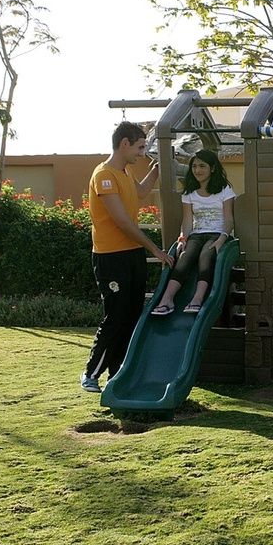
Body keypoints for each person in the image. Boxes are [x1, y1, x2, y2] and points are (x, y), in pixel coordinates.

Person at [80, 122, 174, 393]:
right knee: (116, 314)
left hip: (131, 254)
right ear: (124, 144)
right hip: (111, 257)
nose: (143, 153)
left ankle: (116, 376)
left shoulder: (124, 172)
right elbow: (122, 222)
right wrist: (154, 249)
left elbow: (141, 193)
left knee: (132, 314)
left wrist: (157, 169)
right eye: (140, 147)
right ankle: (91, 373)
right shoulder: (104, 176)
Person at [151, 149, 235, 316]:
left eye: (202, 166)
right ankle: (167, 299)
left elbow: (229, 220)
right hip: (197, 234)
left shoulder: (224, 190)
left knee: (206, 256)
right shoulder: (189, 193)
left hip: (217, 234)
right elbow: (188, 221)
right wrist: (182, 238)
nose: (197, 170)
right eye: (194, 166)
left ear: (212, 168)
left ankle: (197, 299)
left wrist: (222, 238)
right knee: (184, 257)